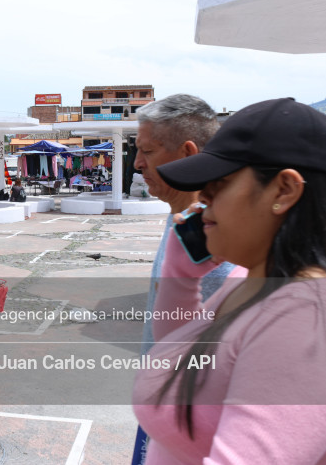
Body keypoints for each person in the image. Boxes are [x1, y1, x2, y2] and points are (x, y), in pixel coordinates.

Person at [133, 98, 326, 464]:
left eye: (220, 183)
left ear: (284, 190)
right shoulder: (255, 279)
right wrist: (180, 277)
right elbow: (183, 354)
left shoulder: (307, 322)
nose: (204, 196)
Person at [130, 94, 237, 464]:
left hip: (189, 423)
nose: (137, 163)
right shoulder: (182, 219)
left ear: (188, 153)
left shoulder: (214, 237)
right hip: (163, 408)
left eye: (147, 151)